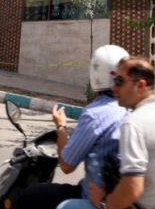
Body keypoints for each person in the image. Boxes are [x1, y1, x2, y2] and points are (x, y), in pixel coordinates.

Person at [61, 56, 155, 209]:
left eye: (119, 81)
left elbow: (132, 188)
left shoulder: (134, 123)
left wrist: (104, 202)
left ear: (140, 85)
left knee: (67, 206)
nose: (114, 88)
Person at [15, 45, 129, 209]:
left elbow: (67, 165)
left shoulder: (95, 113)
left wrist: (61, 126)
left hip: (95, 198)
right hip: (124, 198)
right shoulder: (134, 108)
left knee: (30, 195)